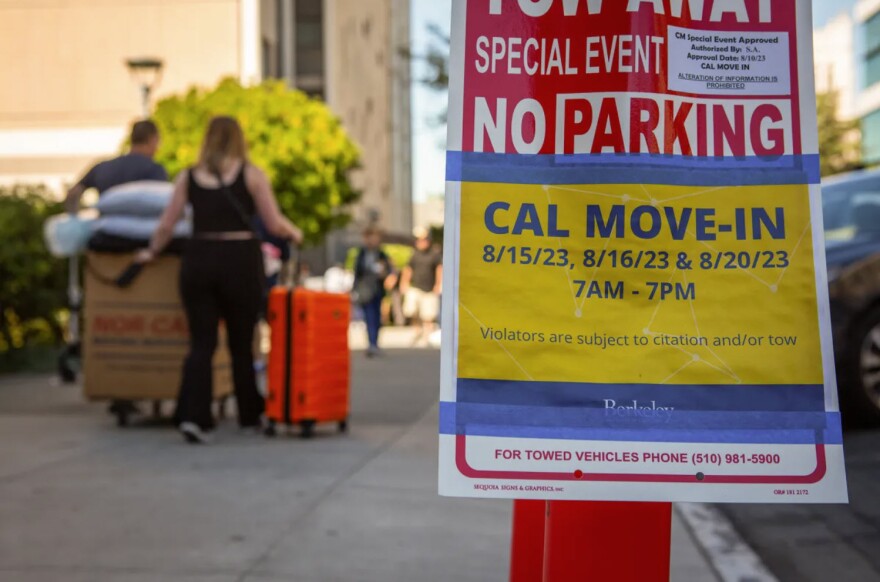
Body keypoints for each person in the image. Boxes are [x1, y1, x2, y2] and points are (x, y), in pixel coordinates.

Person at [136, 116, 302, 444]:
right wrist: (295, 232)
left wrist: (151, 253)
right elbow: (273, 221)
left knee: (202, 343)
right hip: (240, 260)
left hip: (199, 259)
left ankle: (196, 418)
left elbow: (167, 224)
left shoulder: (188, 176)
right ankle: (249, 415)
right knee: (242, 343)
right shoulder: (252, 175)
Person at [65, 120, 167, 211]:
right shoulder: (154, 170)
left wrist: (77, 218)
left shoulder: (102, 167)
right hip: (143, 231)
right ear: (152, 139)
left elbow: (73, 193)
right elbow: (163, 202)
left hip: (105, 230)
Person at [352, 227, 394, 358]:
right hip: (365, 289)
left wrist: (386, 275)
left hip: (377, 288)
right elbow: (357, 273)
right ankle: (371, 344)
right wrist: (354, 289)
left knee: (376, 317)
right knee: (369, 316)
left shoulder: (381, 254)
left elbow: (389, 269)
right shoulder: (361, 254)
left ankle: (374, 343)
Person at [400, 226, 442, 346]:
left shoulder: (434, 254)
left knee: (428, 314)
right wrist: (404, 283)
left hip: (429, 288)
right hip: (415, 287)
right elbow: (408, 269)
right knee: (411, 310)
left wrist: (438, 285)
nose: (422, 242)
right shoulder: (414, 254)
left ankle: (426, 335)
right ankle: (417, 330)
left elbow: (439, 269)